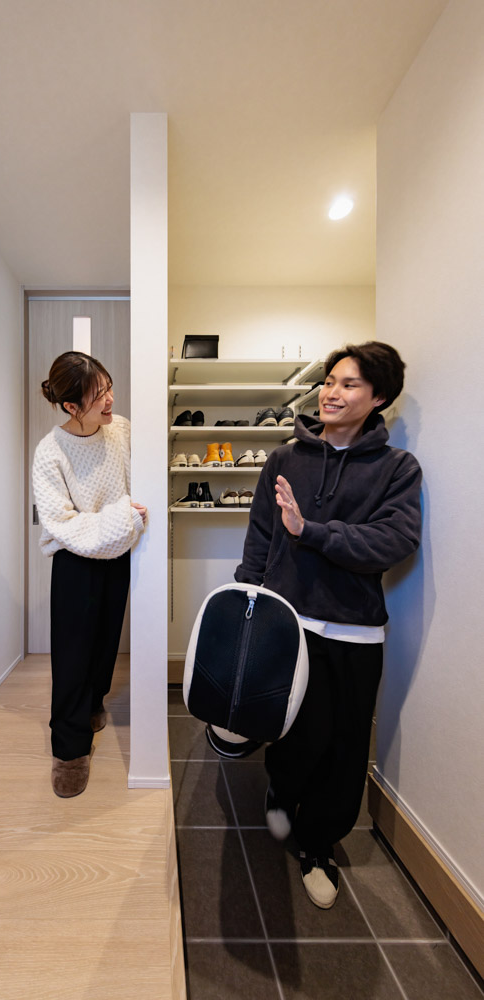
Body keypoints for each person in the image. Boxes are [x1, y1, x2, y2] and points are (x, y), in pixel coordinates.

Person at [235, 341, 422, 909]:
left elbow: (393, 542)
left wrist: (310, 530)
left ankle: (318, 845)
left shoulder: (397, 469)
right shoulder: (284, 459)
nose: (331, 393)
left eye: (349, 384)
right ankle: (281, 793)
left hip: (354, 631)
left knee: (343, 748)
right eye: (329, 381)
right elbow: (261, 536)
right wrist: (248, 603)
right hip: (288, 622)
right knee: (293, 730)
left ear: (379, 397)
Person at [32, 351, 146, 798]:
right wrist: (122, 518)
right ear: (71, 406)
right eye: (99, 395)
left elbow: (141, 489)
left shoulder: (122, 431)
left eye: (109, 387)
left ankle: (95, 704)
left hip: (120, 552)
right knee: (72, 655)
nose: (110, 400)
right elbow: (61, 522)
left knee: (105, 641)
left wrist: (123, 524)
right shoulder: (50, 452)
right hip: (75, 559)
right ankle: (70, 750)